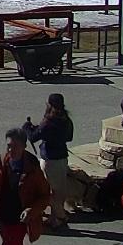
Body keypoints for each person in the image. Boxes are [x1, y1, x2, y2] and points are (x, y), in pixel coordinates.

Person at [24, 93, 74, 228]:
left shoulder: (49, 122)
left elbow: (34, 137)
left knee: (47, 192)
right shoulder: (66, 120)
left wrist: (27, 128)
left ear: (50, 104)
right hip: (62, 158)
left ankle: (61, 217)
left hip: (50, 160)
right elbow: (69, 137)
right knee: (59, 192)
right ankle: (54, 219)